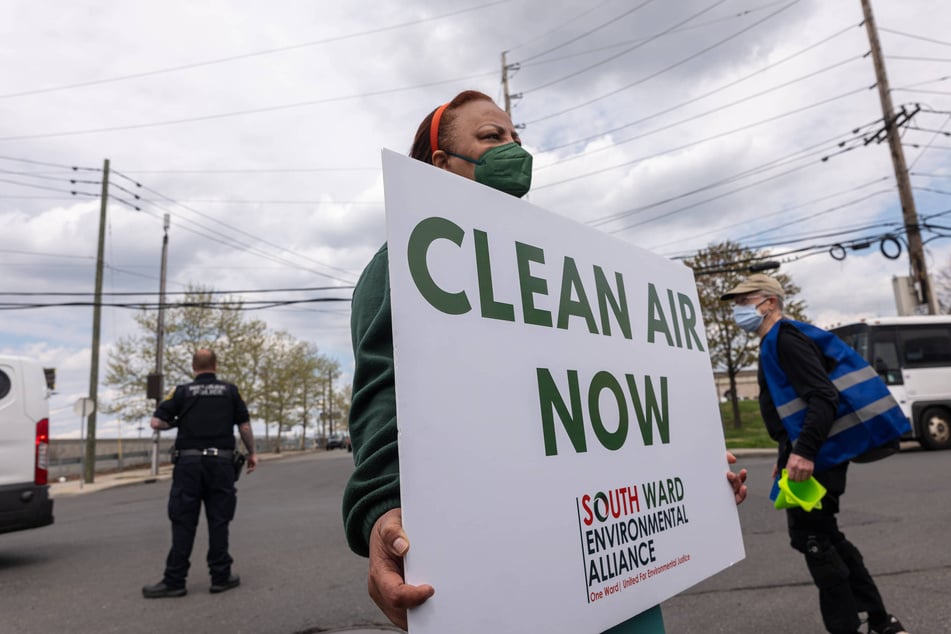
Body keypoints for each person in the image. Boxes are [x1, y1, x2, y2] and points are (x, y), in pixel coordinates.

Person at [342, 90, 748, 631]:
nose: (514, 150)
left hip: (616, 583)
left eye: (515, 137)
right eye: (492, 138)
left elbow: (613, 393)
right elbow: (382, 399)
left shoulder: (559, 261)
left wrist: (694, 470)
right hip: (510, 576)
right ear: (441, 163)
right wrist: (381, 509)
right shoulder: (400, 259)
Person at [720, 274, 908, 634]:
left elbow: (823, 397)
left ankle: (853, 626)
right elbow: (793, 408)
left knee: (814, 539)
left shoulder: (786, 338)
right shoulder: (775, 340)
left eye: (746, 301)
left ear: (770, 302)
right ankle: (882, 622)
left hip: (819, 454)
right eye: (737, 303)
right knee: (824, 535)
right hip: (810, 452)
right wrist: (785, 453)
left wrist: (803, 452)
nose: (739, 310)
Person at [142, 348, 259, 598]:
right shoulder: (230, 391)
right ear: (215, 365)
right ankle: (220, 577)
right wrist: (252, 453)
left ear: (194, 367)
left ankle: (175, 581)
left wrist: (175, 422)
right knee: (219, 520)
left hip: (188, 465)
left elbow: (156, 422)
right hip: (221, 465)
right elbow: (245, 426)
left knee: (183, 521)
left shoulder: (182, 391)